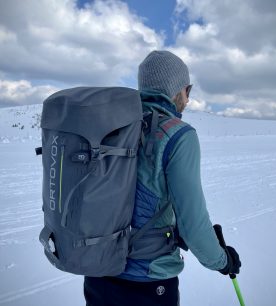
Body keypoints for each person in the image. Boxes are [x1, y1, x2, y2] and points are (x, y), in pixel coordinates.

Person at [84, 50, 241, 306]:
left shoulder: (112, 127)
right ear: (180, 90)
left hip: (98, 274)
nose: (187, 101)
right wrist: (223, 260)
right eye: (187, 91)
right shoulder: (178, 135)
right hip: (148, 281)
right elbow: (193, 223)